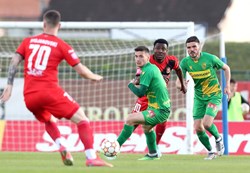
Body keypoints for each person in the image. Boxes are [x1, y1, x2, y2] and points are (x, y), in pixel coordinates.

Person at [0, 10, 113, 167]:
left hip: (30, 97)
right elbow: (81, 71)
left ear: (44, 24)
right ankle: (91, 157)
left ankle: (61, 145)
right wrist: (94, 76)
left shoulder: (28, 41)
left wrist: (10, 85)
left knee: (49, 119)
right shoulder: (62, 46)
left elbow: (14, 61)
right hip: (49, 92)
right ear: (59, 26)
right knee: (82, 120)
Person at [176, 36, 231, 160]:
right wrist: (181, 85)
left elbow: (226, 68)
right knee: (198, 127)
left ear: (199, 46)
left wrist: (227, 85)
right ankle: (211, 152)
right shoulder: (185, 62)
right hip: (199, 97)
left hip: (214, 95)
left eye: (194, 46)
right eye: (189, 47)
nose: (191, 50)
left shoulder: (210, 58)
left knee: (206, 123)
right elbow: (178, 82)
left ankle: (218, 138)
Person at [131, 39, 186, 156]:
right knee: (132, 120)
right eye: (158, 48)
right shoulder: (148, 60)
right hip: (146, 96)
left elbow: (179, 70)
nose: (160, 51)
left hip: (160, 97)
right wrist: (137, 80)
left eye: (163, 49)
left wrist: (182, 84)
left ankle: (155, 147)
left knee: (162, 121)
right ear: (153, 49)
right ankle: (117, 146)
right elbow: (138, 73)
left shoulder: (171, 61)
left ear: (167, 51)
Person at [116, 45, 171, 160]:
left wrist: (130, 85)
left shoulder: (148, 70)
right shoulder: (150, 68)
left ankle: (115, 147)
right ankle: (153, 154)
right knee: (147, 128)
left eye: (141, 56)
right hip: (157, 108)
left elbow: (141, 93)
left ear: (148, 57)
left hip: (160, 110)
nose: (138, 59)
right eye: (136, 56)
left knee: (130, 118)